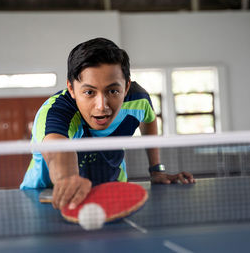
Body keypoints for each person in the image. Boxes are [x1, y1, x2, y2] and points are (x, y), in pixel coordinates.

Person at [20, 37, 195, 210]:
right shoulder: (55, 112)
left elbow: (149, 120)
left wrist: (156, 170)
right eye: (89, 92)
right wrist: (67, 178)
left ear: (126, 87)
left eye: (113, 91)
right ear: (71, 89)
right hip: (48, 198)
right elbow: (58, 149)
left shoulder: (138, 101)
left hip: (111, 191)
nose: (102, 106)